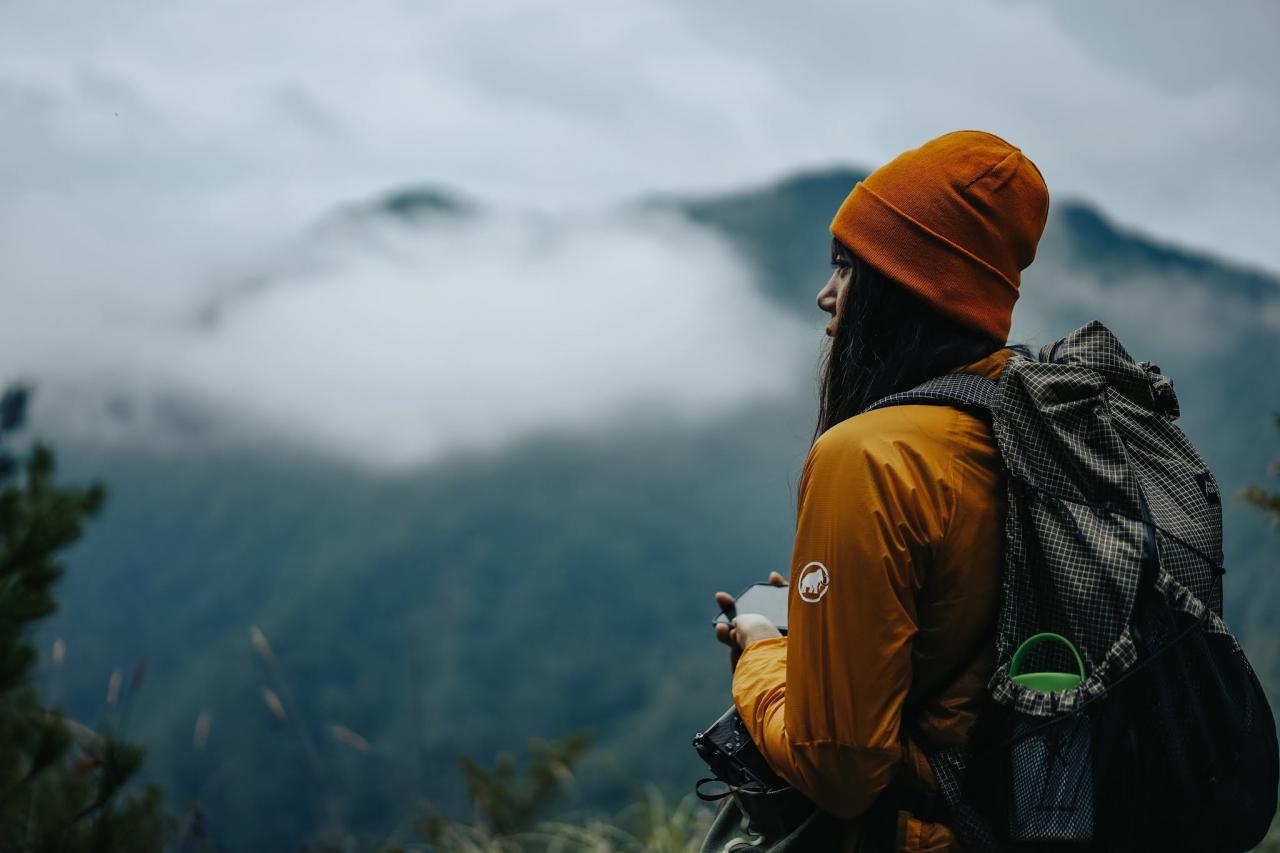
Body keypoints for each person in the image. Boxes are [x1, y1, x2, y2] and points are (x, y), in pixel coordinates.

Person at [713, 130, 1050, 851]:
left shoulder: (871, 456)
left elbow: (840, 767)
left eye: (846, 268)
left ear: (905, 284)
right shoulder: (1030, 424)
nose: (824, 295)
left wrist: (764, 650)